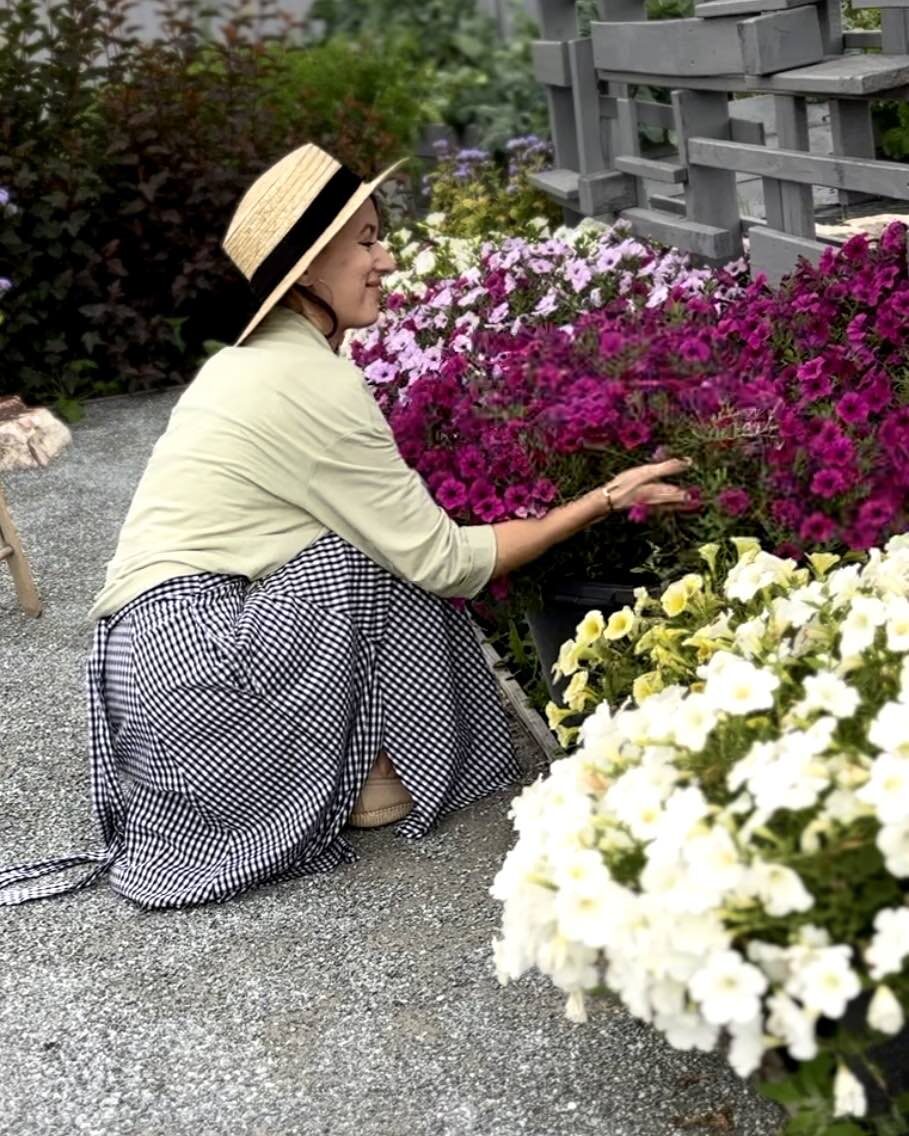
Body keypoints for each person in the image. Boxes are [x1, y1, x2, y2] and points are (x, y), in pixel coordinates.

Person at [0, 144, 691, 910]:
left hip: (147, 678)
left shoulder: (247, 363)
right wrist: (598, 498)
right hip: (195, 678)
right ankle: (383, 770)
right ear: (305, 269)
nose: (387, 258)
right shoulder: (307, 380)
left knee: (365, 540)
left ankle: (363, 765)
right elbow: (448, 564)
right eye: (365, 240)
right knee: (372, 555)